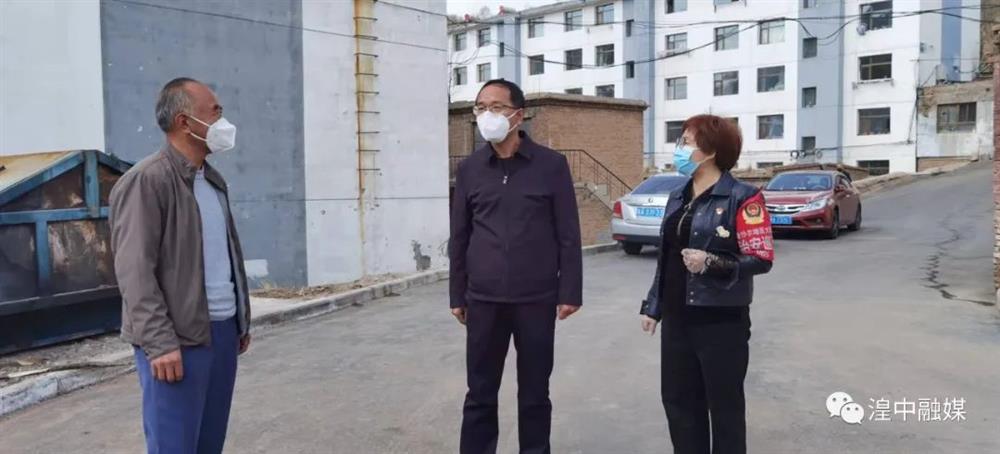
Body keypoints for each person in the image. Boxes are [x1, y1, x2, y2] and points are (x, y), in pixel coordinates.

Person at [109, 77, 252, 454]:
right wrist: (159, 343)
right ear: (185, 122)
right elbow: (134, 271)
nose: (222, 121)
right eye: (214, 112)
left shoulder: (212, 181)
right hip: (176, 340)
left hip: (221, 333)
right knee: (174, 445)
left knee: (209, 443)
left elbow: (224, 256)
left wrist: (239, 320)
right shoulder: (147, 181)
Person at [449, 79, 583, 454]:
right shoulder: (470, 169)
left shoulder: (551, 166)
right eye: (480, 108)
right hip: (483, 299)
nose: (486, 115)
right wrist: (457, 294)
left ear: (518, 115)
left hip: (536, 298)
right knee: (480, 391)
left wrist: (570, 291)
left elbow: (568, 234)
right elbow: (460, 235)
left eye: (496, 107)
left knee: (535, 392)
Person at [639, 115, 774, 454]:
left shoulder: (743, 197)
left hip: (720, 320)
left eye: (686, 142)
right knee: (679, 403)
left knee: (725, 407)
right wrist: (653, 306)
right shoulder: (677, 196)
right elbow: (666, 259)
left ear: (711, 151)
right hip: (677, 319)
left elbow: (761, 257)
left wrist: (711, 262)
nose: (680, 148)